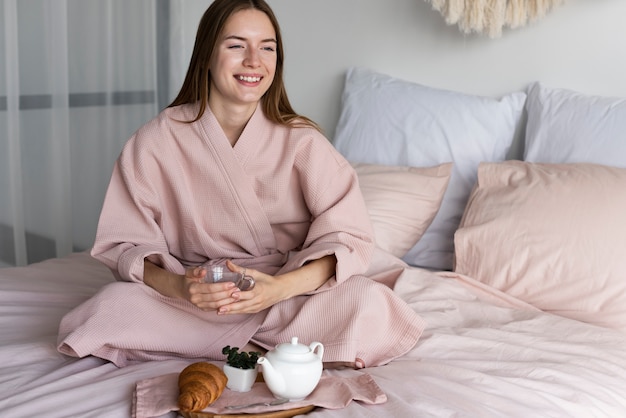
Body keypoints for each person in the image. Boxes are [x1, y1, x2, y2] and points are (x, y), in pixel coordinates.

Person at [57, 0, 424, 369]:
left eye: (267, 47)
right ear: (206, 55)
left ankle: (223, 344)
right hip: (194, 298)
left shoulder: (303, 142)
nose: (254, 60)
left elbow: (348, 238)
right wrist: (184, 287)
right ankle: (269, 349)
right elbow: (123, 245)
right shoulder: (154, 141)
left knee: (370, 303)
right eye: (236, 45)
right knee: (109, 307)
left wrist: (276, 289)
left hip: (285, 294)